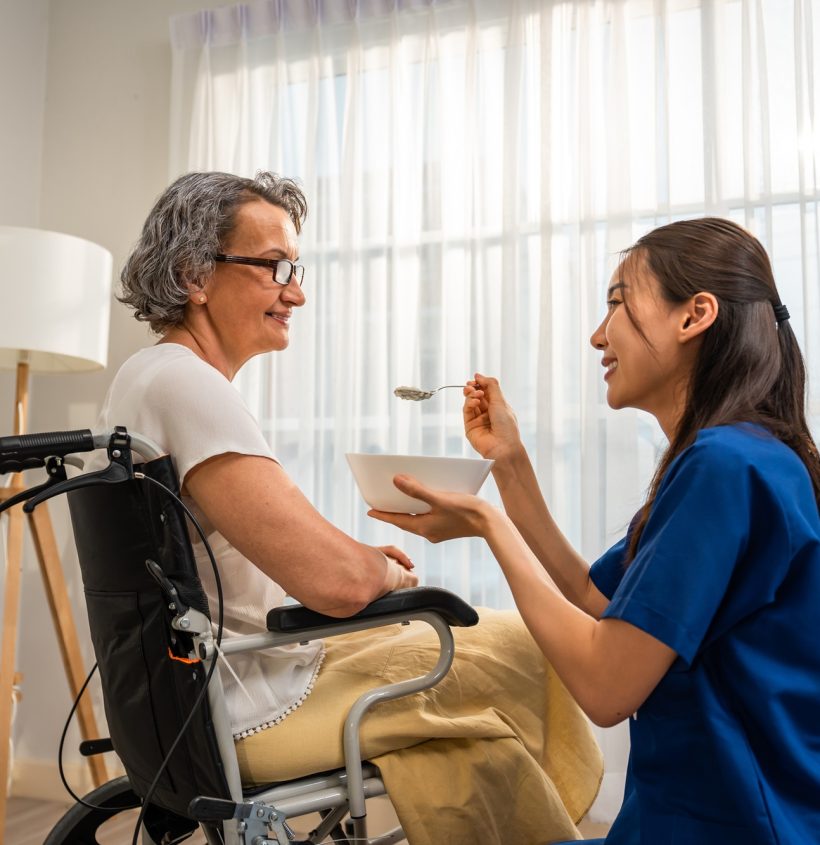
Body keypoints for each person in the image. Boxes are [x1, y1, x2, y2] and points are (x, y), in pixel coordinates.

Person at [100, 170, 603, 845]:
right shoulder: (187, 385)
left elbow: (267, 549)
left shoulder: (146, 380)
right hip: (258, 701)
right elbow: (336, 582)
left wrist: (359, 561)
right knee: (525, 644)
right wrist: (383, 573)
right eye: (275, 267)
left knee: (472, 744)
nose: (296, 292)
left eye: (296, 268)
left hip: (210, 692)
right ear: (195, 274)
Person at [371, 217, 820, 844]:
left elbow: (607, 687)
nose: (596, 336)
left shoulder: (723, 467)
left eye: (617, 304)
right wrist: (510, 465)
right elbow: (598, 599)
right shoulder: (745, 456)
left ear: (695, 316)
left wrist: (489, 526)